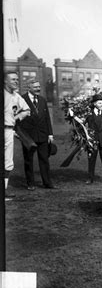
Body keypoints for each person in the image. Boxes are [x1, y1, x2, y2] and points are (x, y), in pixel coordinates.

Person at [17, 78, 55, 190]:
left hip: (43, 135)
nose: (38, 89)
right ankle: (30, 183)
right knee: (28, 160)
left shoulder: (42, 100)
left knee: (44, 159)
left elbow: (47, 118)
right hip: (28, 136)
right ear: (29, 87)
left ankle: (47, 183)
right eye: (35, 87)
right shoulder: (21, 99)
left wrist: (50, 134)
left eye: (39, 87)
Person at [4, 71, 31, 199]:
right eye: (13, 79)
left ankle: (4, 190)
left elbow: (27, 110)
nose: (16, 81)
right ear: (5, 81)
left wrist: (16, 117)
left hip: (8, 130)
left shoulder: (16, 96)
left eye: (17, 79)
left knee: (8, 162)